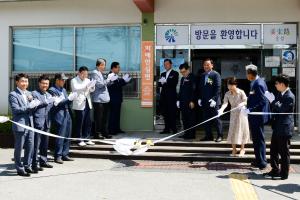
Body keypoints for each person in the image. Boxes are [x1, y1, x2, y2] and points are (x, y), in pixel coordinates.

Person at [264, 74, 295, 180]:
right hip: (277, 126)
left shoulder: (289, 96)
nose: (275, 85)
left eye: (276, 83)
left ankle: (284, 174)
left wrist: (272, 101)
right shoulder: (280, 93)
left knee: (284, 152)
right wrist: (273, 101)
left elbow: (282, 109)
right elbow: (276, 107)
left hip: (285, 128)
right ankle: (275, 170)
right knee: (273, 150)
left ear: (282, 84)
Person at [9, 73, 40, 176]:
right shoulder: (13, 94)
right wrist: (29, 106)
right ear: (17, 82)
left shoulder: (29, 93)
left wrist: (35, 104)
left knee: (30, 146)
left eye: (26, 81)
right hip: (20, 125)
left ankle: (27, 165)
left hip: (30, 124)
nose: (24, 83)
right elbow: (16, 110)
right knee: (19, 147)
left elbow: (32, 109)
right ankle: (19, 168)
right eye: (22, 81)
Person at [241, 64, 271, 170]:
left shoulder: (258, 83)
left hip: (258, 117)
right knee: (257, 139)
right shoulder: (256, 82)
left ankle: (262, 162)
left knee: (259, 139)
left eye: (247, 73)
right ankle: (259, 159)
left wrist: (250, 109)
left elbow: (263, 101)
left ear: (250, 74)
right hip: (255, 117)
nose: (246, 76)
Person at [218, 77, 250, 156]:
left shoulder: (241, 92)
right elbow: (225, 103)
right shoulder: (227, 93)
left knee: (242, 129)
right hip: (233, 113)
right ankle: (234, 149)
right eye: (228, 85)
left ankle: (242, 149)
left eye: (231, 85)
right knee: (232, 130)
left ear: (235, 84)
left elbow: (245, 101)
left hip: (241, 113)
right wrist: (221, 110)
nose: (229, 87)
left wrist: (241, 104)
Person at [49, 73, 77, 164]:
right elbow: (58, 103)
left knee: (67, 135)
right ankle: (58, 155)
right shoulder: (52, 90)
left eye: (65, 80)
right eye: (62, 80)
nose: (64, 81)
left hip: (67, 113)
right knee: (60, 135)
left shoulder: (64, 90)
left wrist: (71, 99)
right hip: (59, 114)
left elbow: (66, 102)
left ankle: (65, 154)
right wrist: (69, 99)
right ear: (57, 80)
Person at [32, 75, 54, 171]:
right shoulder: (34, 93)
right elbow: (34, 106)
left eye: (47, 83)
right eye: (43, 83)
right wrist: (46, 102)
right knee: (36, 144)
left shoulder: (49, 95)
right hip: (38, 121)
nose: (45, 85)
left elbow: (50, 107)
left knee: (45, 143)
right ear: (39, 83)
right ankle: (34, 163)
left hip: (47, 122)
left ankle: (43, 161)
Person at [197, 58, 223, 142]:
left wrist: (214, 99)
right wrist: (200, 98)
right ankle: (208, 136)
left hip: (214, 102)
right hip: (205, 101)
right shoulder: (203, 75)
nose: (206, 66)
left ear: (212, 65)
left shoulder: (215, 74)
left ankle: (220, 135)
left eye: (208, 64)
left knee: (216, 119)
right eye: (204, 65)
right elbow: (200, 88)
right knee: (206, 119)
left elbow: (218, 88)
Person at [91, 58, 117, 139]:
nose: (105, 67)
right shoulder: (95, 73)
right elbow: (100, 85)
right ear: (100, 65)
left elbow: (105, 85)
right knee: (98, 118)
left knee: (105, 118)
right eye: (104, 65)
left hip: (104, 99)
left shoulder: (100, 73)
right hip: (98, 100)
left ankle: (105, 133)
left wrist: (111, 80)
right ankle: (97, 134)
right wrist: (108, 79)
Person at [71, 66, 96, 146]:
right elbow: (76, 88)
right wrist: (86, 86)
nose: (85, 76)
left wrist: (92, 86)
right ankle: (79, 139)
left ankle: (87, 138)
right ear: (79, 73)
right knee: (80, 122)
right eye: (83, 74)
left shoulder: (88, 80)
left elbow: (91, 90)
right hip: (79, 103)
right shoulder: (74, 80)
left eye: (86, 74)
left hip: (87, 103)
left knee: (88, 121)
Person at [107, 62, 131, 135]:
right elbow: (114, 85)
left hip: (117, 98)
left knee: (117, 115)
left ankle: (117, 128)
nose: (119, 69)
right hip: (113, 99)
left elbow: (118, 84)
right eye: (118, 67)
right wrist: (123, 80)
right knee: (113, 115)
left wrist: (125, 81)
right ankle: (111, 130)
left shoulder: (115, 75)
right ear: (113, 68)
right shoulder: (110, 76)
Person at [158, 58, 179, 134]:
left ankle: (174, 129)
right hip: (164, 97)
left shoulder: (175, 73)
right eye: (164, 64)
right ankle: (166, 129)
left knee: (172, 113)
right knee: (165, 113)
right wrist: (161, 82)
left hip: (171, 97)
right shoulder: (162, 74)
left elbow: (174, 83)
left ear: (171, 64)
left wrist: (165, 82)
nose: (165, 65)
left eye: (167, 64)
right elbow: (159, 84)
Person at [177, 63, 196, 139]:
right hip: (183, 102)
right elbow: (180, 90)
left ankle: (191, 135)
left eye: (184, 72)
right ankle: (186, 133)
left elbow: (194, 90)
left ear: (188, 70)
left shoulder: (193, 77)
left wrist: (192, 100)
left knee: (190, 119)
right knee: (184, 119)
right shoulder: (182, 79)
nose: (183, 74)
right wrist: (178, 100)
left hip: (190, 102)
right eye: (181, 72)